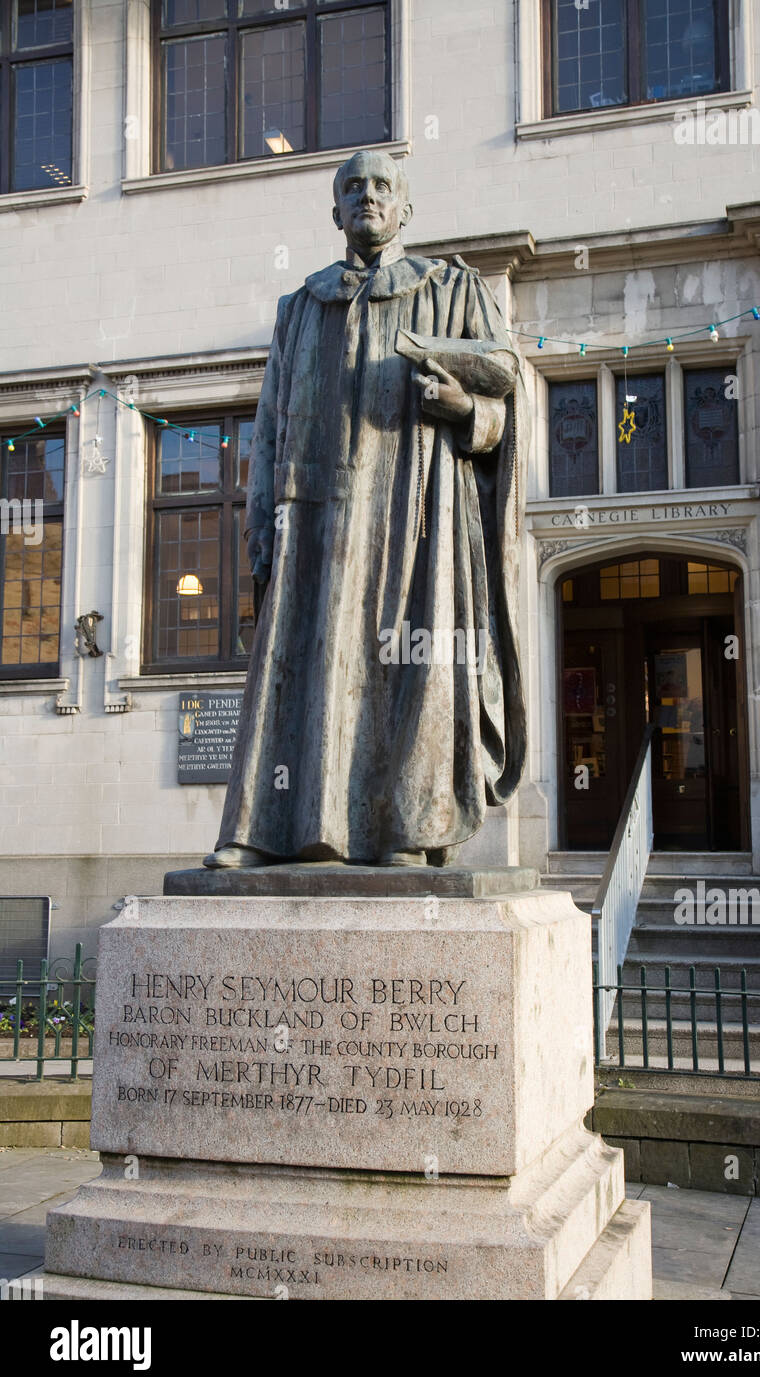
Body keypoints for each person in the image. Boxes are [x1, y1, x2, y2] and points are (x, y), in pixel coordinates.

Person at [204, 150, 527, 870]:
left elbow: (506, 401)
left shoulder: (451, 288)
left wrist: (462, 407)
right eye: (353, 188)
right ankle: (266, 831)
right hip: (315, 518)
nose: (368, 197)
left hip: (416, 515)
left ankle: (405, 831)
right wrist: (262, 524)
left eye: (383, 187)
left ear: (405, 210)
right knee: (301, 666)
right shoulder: (301, 307)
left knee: (412, 667)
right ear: (336, 212)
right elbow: (268, 426)